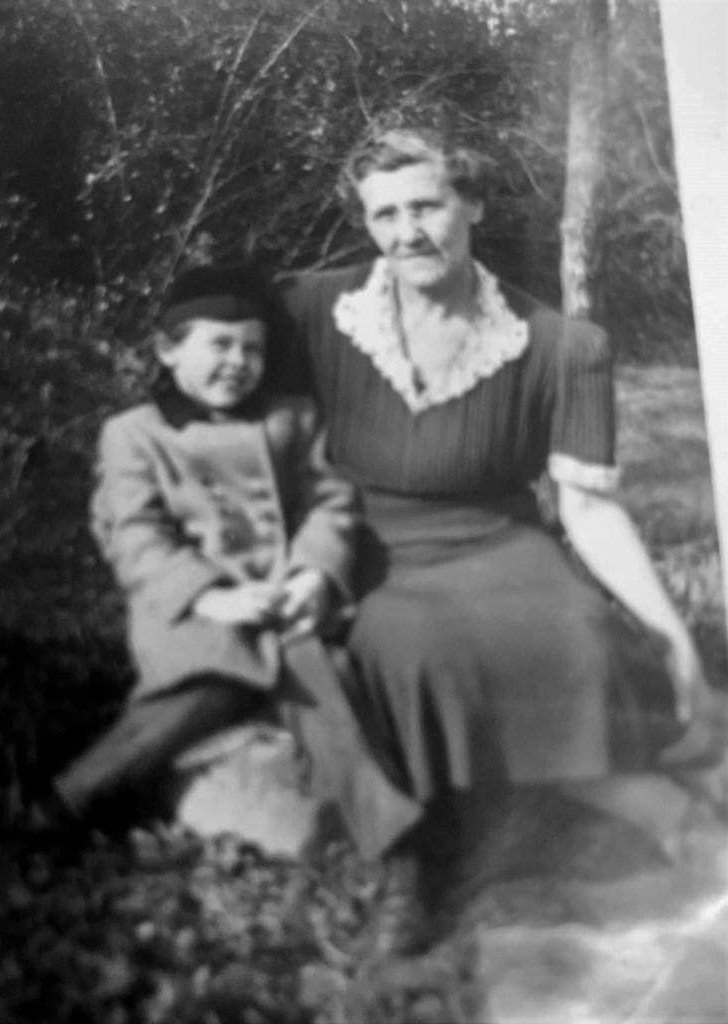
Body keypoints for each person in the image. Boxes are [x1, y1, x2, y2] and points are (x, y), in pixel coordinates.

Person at [276, 124, 726, 955]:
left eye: (426, 206)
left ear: (473, 204)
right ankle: (411, 862)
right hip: (360, 538)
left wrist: (671, 633)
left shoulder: (557, 344)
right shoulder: (312, 312)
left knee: (580, 634)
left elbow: (589, 509)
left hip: (500, 541)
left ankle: (651, 807)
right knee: (400, 643)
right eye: (385, 215)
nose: (407, 233)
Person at [37, 262, 420, 854]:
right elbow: (135, 534)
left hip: (285, 600)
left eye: (252, 349)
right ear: (168, 351)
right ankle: (77, 796)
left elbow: (330, 502)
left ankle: (384, 826)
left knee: (324, 668)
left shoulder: (291, 418)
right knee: (224, 679)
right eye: (220, 345)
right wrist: (213, 597)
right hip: (193, 614)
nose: (238, 362)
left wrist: (313, 575)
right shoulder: (135, 433)